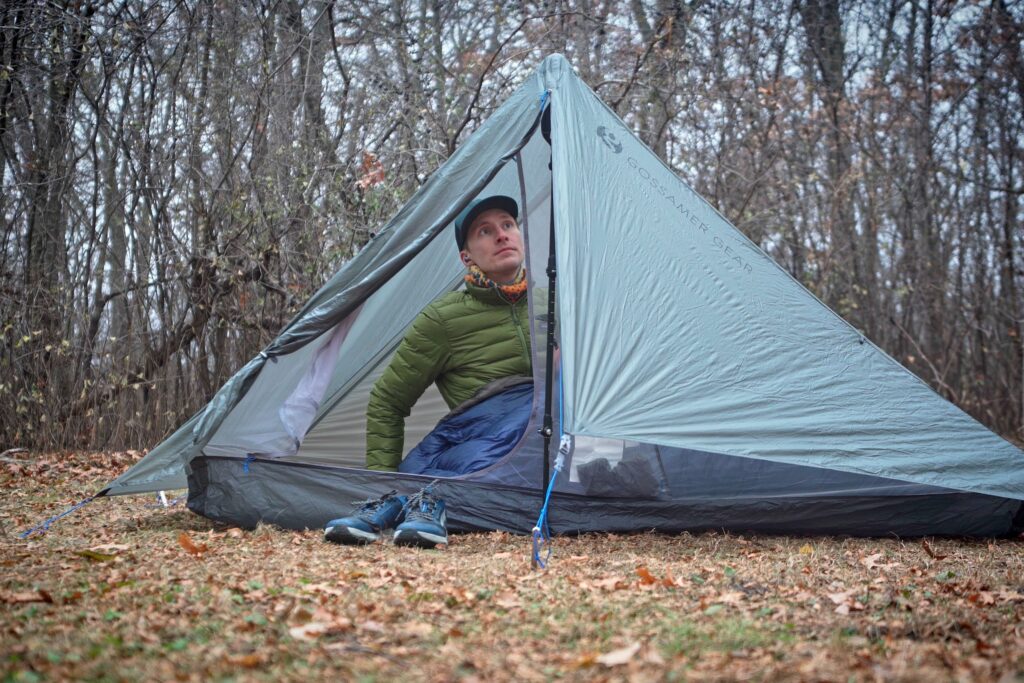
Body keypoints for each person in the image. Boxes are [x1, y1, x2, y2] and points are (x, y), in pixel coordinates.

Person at [324, 195, 532, 548]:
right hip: (482, 443)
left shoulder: (561, 301)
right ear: (466, 257)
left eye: (508, 225)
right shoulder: (442, 319)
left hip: (547, 450)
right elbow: (387, 401)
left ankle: (417, 498)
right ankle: (401, 500)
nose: (501, 235)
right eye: (485, 231)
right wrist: (380, 482)